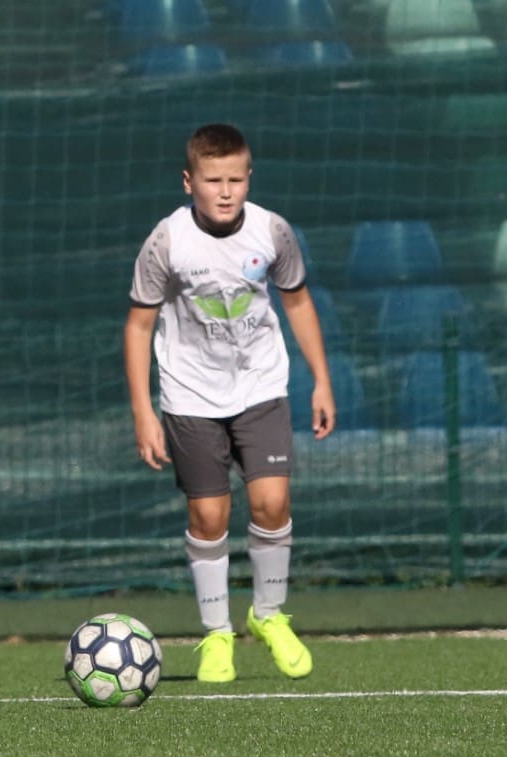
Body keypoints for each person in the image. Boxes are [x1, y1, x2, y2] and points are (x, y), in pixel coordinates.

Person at [123, 123, 335, 683]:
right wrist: (144, 411)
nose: (225, 192)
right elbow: (139, 326)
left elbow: (298, 303)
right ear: (188, 181)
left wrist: (321, 380)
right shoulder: (167, 241)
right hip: (190, 394)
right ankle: (218, 635)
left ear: (249, 178)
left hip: (261, 387)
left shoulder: (273, 231)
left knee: (272, 503)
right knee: (209, 515)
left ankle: (268, 616)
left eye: (236, 180)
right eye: (213, 180)